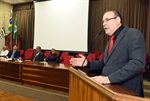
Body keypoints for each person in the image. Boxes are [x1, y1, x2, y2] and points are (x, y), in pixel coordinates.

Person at [70, 10, 146, 97]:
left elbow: (137, 64)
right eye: (103, 21)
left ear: (118, 20)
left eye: (107, 20)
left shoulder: (133, 34)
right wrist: (87, 63)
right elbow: (104, 63)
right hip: (110, 90)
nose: (104, 24)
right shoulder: (110, 41)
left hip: (127, 91)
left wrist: (109, 79)